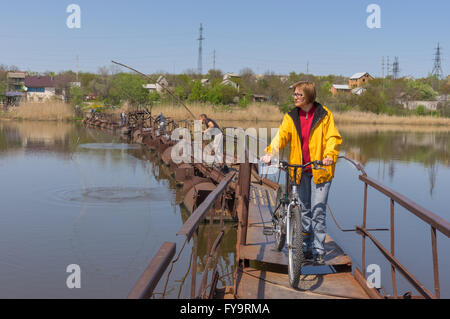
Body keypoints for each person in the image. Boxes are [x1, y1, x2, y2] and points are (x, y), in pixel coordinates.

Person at [261, 81, 342, 264]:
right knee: (304, 210)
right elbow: (281, 137)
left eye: (298, 94)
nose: (295, 97)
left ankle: (319, 250)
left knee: (318, 210)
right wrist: (270, 153)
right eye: (295, 94)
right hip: (299, 169)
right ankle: (304, 247)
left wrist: (329, 156)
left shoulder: (324, 115)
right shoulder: (291, 117)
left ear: (308, 96)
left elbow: (333, 138)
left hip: (320, 169)